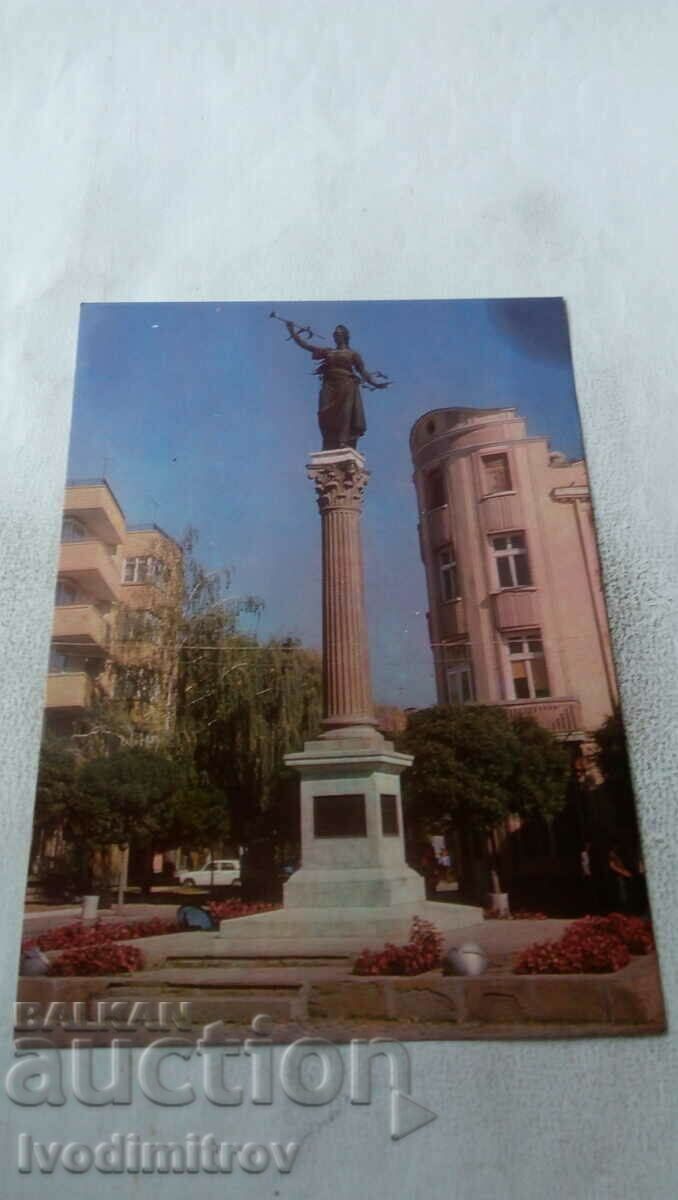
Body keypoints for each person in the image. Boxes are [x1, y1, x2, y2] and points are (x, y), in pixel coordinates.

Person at [286, 322, 390, 450]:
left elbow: (363, 372)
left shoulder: (353, 354)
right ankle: (328, 442)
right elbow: (306, 346)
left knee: (345, 414)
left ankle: (343, 441)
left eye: (338, 333)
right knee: (324, 414)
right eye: (334, 334)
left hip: (346, 385)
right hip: (329, 385)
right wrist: (292, 331)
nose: (335, 336)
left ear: (345, 336)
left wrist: (375, 384)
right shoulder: (328, 351)